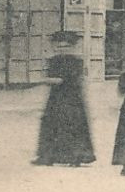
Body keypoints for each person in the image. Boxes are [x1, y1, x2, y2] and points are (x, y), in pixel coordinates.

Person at [33, 31, 95, 167]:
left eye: (65, 47)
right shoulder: (54, 60)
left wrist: (50, 80)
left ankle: (75, 157)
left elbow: (67, 79)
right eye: (59, 47)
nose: (62, 50)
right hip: (55, 98)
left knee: (72, 125)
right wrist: (48, 79)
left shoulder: (76, 62)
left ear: (72, 48)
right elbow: (51, 75)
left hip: (71, 98)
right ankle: (47, 156)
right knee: (51, 124)